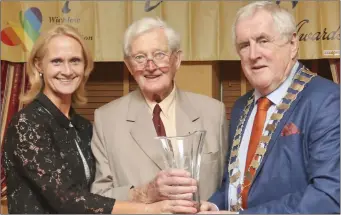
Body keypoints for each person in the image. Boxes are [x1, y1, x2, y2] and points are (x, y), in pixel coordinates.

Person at [2, 24, 197, 214]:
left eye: (75, 61)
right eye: (57, 61)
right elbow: (67, 199)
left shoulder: (83, 126)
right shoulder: (27, 124)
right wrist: (149, 208)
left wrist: (146, 193)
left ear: (85, 66)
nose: (68, 70)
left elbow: (95, 192)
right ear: (38, 65)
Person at [200, 1, 340, 214]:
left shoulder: (328, 101)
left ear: (293, 44)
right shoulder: (240, 107)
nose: (253, 54)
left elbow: (328, 196)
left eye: (263, 40)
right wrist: (215, 205)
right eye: (244, 45)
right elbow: (236, 183)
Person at [90, 17, 228, 204]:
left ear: (177, 60)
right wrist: (143, 193)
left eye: (159, 55)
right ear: (129, 66)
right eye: (140, 58)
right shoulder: (107, 119)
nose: (150, 66)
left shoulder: (213, 113)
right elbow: (98, 197)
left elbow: (228, 186)